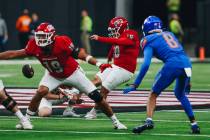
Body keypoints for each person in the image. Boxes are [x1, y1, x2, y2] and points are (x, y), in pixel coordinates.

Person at [0, 22, 126, 130]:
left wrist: (98, 64)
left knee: (96, 96)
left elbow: (80, 54)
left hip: (72, 73)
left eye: (44, 36)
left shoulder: (62, 42)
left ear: (52, 36)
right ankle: (25, 120)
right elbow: (14, 53)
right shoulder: (34, 45)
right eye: (39, 36)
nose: (41, 39)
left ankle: (116, 122)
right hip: (53, 75)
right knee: (41, 91)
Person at [123, 16, 200, 134]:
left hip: (172, 64)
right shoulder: (169, 34)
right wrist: (188, 79)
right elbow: (181, 53)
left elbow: (146, 64)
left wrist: (136, 84)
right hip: (186, 63)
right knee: (180, 94)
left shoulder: (147, 39)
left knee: (153, 94)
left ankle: (149, 121)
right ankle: (194, 124)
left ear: (147, 28)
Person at [84, 17, 140, 119]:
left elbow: (120, 42)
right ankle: (76, 94)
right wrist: (108, 61)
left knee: (104, 89)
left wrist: (100, 38)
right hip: (115, 66)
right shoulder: (118, 38)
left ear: (122, 28)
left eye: (114, 30)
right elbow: (114, 47)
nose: (113, 32)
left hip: (125, 70)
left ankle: (94, 111)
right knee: (95, 80)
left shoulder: (131, 34)